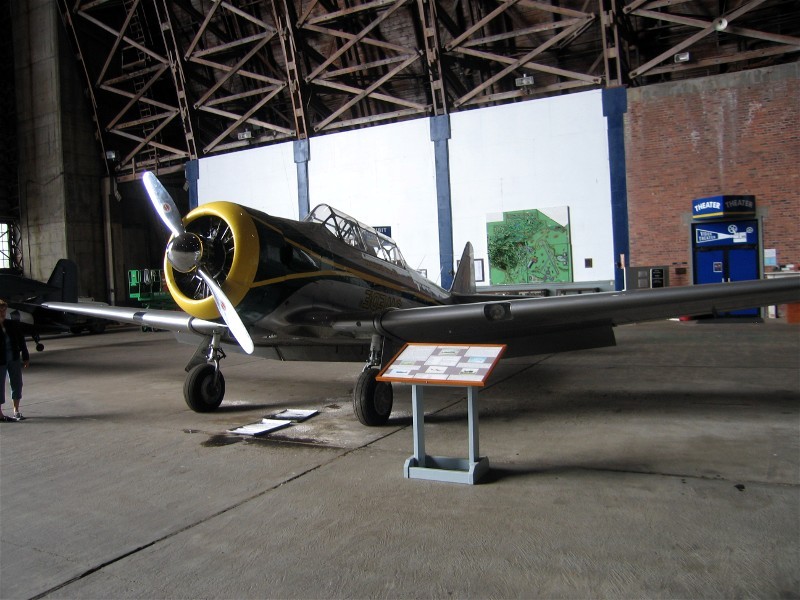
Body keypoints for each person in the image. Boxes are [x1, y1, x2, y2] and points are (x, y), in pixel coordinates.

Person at [0, 298, 30, 422]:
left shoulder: (12, 324)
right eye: (0, 310)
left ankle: (16, 410)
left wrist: (25, 356)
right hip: (0, 360)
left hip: (13, 358)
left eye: (4, 309)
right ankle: (0, 413)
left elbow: (21, 340)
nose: (2, 312)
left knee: (17, 383)